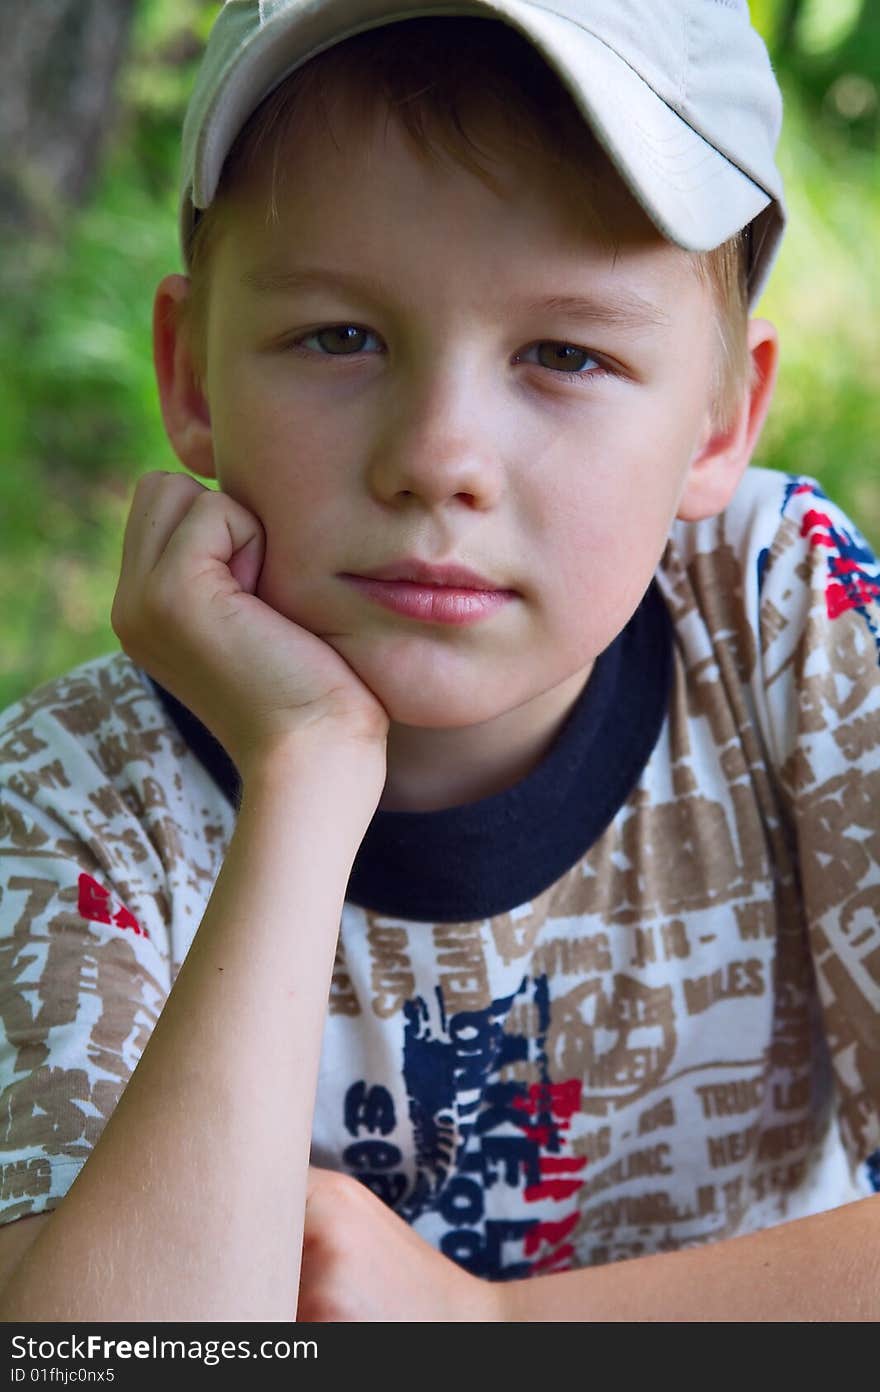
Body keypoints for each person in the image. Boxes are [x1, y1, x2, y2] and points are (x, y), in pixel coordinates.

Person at [0, 0, 878, 1323]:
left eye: (566, 354)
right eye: (340, 338)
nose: (438, 457)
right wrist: (304, 770)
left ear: (721, 424)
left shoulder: (781, 609)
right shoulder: (70, 800)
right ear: (189, 375)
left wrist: (493, 1325)